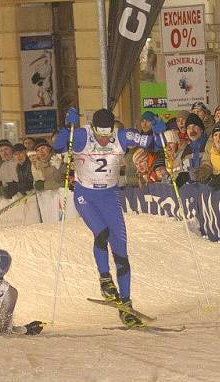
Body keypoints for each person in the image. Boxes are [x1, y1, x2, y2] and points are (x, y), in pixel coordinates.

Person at [53, 107, 162, 327]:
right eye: (100, 135)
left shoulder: (122, 135)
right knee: (101, 233)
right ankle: (105, 278)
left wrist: (159, 131)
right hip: (86, 196)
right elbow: (57, 146)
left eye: (107, 134)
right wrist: (67, 126)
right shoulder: (82, 134)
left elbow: (152, 144)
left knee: (121, 249)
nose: (104, 139)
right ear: (93, 128)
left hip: (110, 196)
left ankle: (126, 303)